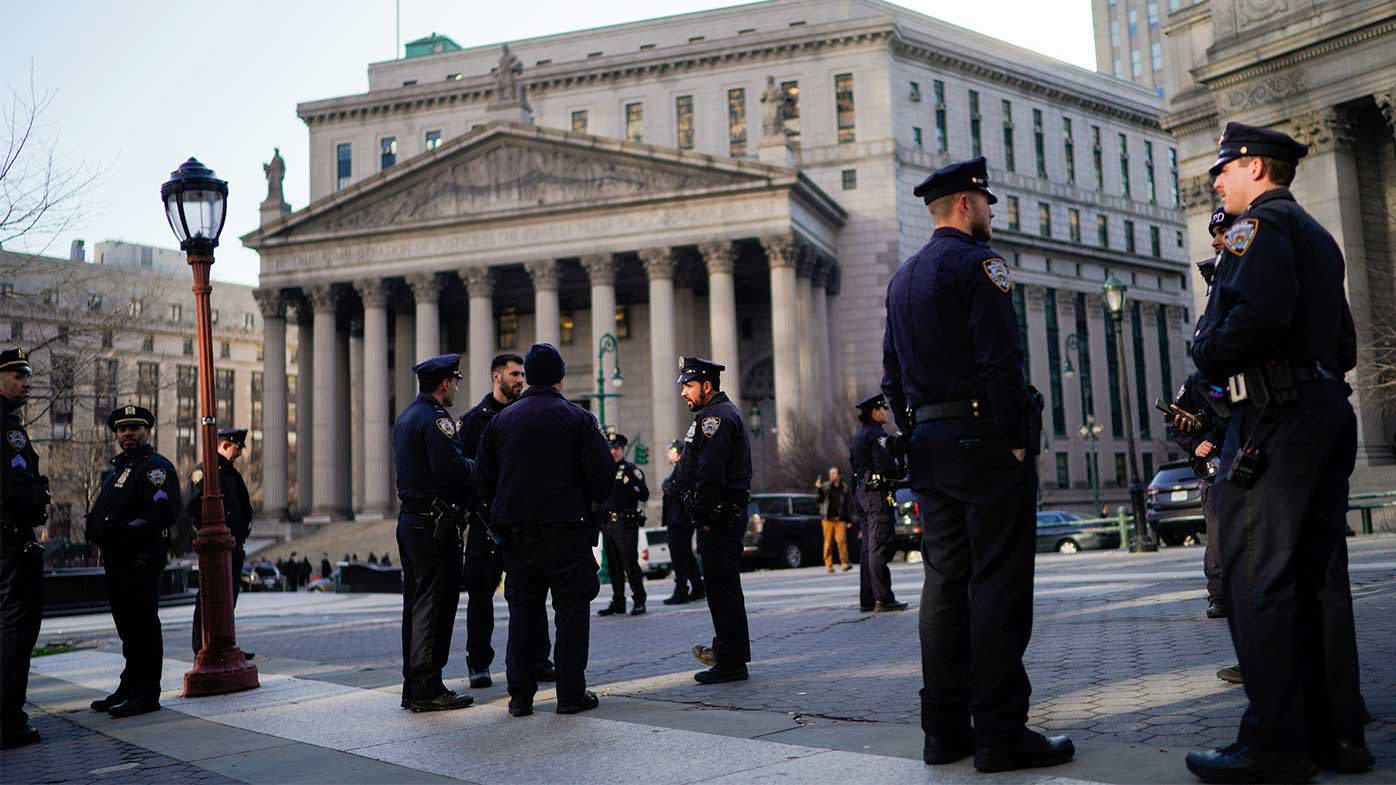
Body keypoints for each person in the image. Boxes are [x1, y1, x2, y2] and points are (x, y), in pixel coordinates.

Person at [1184, 123, 1372, 782]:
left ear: (1256, 169)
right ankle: (1338, 735)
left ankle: (1273, 743)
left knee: (1257, 576)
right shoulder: (1317, 236)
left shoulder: (1254, 229)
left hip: (1271, 415)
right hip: (1322, 410)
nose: (1216, 180)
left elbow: (1247, 317)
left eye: (1225, 169)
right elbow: (1345, 344)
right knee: (1321, 578)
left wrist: (1204, 350)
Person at [883, 156, 1071, 773]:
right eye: (987, 201)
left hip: (930, 444)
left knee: (944, 585)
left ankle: (943, 729)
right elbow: (999, 360)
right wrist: (1014, 435)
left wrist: (915, 431)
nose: (991, 212)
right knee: (998, 584)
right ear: (966, 203)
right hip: (983, 441)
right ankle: (999, 733)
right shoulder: (980, 265)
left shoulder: (903, 278)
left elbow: (892, 378)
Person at [474, 343, 614, 717]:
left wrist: (497, 520)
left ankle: (520, 696)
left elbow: (481, 479)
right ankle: (570, 695)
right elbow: (602, 475)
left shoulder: (500, 422)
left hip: (517, 534)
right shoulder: (579, 418)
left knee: (522, 612)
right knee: (571, 610)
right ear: (560, 379)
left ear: (529, 378)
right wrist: (592, 512)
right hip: (567, 530)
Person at [456, 352, 554, 688]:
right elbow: (465, 473)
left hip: (522, 522)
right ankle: (478, 664)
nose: (520, 379)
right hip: (485, 524)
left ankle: (540, 659)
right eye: (514, 374)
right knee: (480, 599)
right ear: (496, 376)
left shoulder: (526, 415)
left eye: (522, 374)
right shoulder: (472, 422)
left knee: (532, 595)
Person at [85, 405, 182, 718]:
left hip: (140, 559)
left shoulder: (155, 468)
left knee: (143, 628)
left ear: (148, 432)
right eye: (122, 429)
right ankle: (129, 686)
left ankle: (146, 693)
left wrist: (123, 532)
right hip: (118, 560)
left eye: (135, 428)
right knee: (128, 629)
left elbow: (162, 514)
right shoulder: (121, 469)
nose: (128, 434)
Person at [391, 354, 475, 713]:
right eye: (455, 380)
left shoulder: (407, 416)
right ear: (444, 384)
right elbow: (451, 469)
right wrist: (479, 467)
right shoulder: (437, 420)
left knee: (415, 603)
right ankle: (427, 686)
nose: (457, 386)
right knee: (435, 604)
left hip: (412, 521)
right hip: (433, 524)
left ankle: (414, 685)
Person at [672, 357, 753, 685]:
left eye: (688, 386)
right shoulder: (713, 414)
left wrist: (703, 514)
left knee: (722, 590)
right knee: (723, 588)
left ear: (707, 386)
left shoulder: (716, 417)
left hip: (719, 518)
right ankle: (728, 652)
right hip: (718, 516)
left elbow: (710, 473)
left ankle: (731, 662)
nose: (683, 393)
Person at [1, 349, 48, 749]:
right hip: (9, 542)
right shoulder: (6, 428)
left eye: (26, 375)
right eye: (18, 375)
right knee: (15, 630)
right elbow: (16, 489)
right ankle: (8, 720)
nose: (26, 382)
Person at [187, 428, 255, 661]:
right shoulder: (205, 471)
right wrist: (208, 533)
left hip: (233, 545)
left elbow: (243, 507)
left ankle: (226, 643)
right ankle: (201, 646)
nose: (239, 454)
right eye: (237, 448)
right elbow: (192, 506)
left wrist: (242, 531)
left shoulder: (231, 474)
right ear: (226, 445)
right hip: (215, 548)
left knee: (229, 596)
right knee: (208, 597)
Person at [850, 394, 908, 613]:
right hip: (875, 494)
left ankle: (868, 598)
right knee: (878, 544)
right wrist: (899, 462)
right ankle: (883, 599)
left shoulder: (859, 435)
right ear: (875, 412)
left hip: (861, 492)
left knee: (868, 547)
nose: (887, 412)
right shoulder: (875, 434)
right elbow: (886, 465)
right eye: (884, 408)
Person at [598, 432, 650, 616]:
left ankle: (639, 600)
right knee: (613, 566)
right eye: (610, 448)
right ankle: (618, 601)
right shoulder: (604, 470)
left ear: (622, 450)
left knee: (630, 565)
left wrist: (629, 485)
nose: (613, 452)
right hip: (608, 524)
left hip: (625, 524)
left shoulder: (630, 470)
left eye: (616, 448)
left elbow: (644, 494)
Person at [661, 440, 704, 605]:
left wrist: (667, 486)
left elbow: (677, 489)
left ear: (678, 453)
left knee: (678, 555)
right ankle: (698, 587)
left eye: (670, 451)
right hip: (679, 519)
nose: (668, 454)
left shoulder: (684, 468)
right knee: (686, 554)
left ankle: (681, 591)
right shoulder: (680, 468)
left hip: (680, 520)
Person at [814, 468, 851, 573]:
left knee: (842, 541)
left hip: (840, 519)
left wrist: (849, 520)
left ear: (839, 475)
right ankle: (828, 565)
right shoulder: (825, 486)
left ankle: (844, 563)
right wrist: (818, 489)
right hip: (828, 519)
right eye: (830, 473)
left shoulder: (844, 487)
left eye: (834, 473)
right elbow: (818, 500)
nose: (832, 475)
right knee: (828, 542)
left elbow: (847, 505)